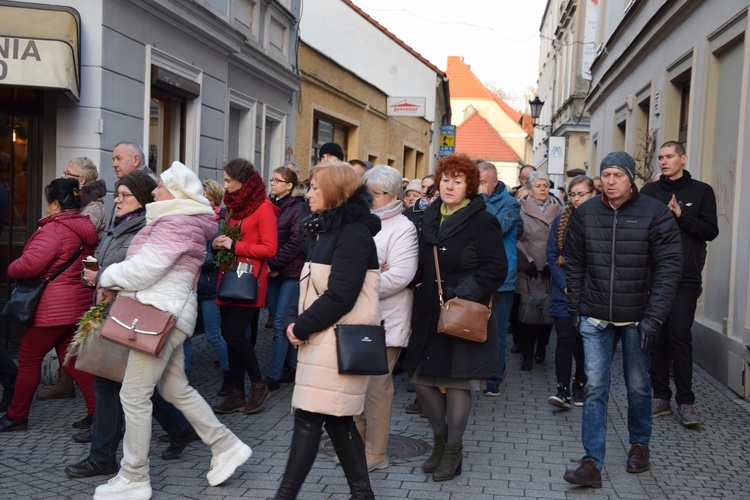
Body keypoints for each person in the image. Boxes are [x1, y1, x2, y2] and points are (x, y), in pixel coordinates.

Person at [93, 162, 253, 499]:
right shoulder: (180, 221)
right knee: (176, 388)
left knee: (133, 396)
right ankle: (226, 446)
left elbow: (145, 270)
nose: (153, 191)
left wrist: (105, 277)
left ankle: (135, 476)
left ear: (175, 193)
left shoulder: (176, 223)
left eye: (160, 186)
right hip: (168, 315)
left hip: (160, 316)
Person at [64, 170, 199, 479]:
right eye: (118, 194)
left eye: (125, 195)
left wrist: (102, 277)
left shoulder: (147, 229)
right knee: (130, 383)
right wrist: (96, 277)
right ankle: (180, 428)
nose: (118, 200)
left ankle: (103, 457)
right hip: (114, 310)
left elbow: (142, 274)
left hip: (132, 315)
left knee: (109, 382)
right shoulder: (122, 225)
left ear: (141, 199)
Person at [562, 152, 682, 488]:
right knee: (595, 386)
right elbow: (574, 261)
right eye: (606, 175)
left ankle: (639, 446)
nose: (610, 181)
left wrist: (655, 317)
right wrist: (576, 307)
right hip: (595, 316)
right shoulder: (585, 213)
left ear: (631, 179)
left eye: (617, 174)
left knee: (638, 386)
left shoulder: (655, 213)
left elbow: (669, 267)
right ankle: (591, 464)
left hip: (638, 318)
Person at [275, 162, 381, 499]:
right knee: (337, 420)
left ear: (335, 192)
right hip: (322, 339)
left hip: (337, 340)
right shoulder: (324, 230)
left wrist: (301, 325)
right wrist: (292, 320)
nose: (307, 194)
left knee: (310, 416)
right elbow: (308, 286)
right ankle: (363, 495)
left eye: (315, 188)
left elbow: (341, 295)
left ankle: (284, 496)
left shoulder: (353, 233)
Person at [404, 153, 506, 482]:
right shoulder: (429, 215)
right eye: (445, 179)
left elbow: (496, 268)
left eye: (457, 181)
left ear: (470, 187)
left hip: (461, 309)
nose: (449, 186)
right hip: (428, 308)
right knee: (421, 379)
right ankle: (440, 439)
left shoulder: (482, 220)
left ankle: (453, 450)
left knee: (457, 382)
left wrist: (463, 290)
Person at [0, 178, 98, 432]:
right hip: (77, 305)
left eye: (48, 202)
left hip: (51, 309)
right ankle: (98, 412)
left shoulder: (54, 230)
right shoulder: (86, 227)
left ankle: (17, 415)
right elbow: (91, 265)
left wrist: (11, 266)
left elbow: (28, 266)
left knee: (29, 358)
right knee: (73, 359)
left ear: (55, 204)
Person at [641, 141, 719, 427]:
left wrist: (681, 215)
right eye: (660, 157)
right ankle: (660, 396)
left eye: (669, 156)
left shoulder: (701, 191)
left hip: (685, 276)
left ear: (683, 158)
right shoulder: (649, 192)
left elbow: (710, 230)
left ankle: (686, 401)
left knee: (680, 335)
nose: (663, 161)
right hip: (654, 276)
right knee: (656, 336)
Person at [356, 165, 418, 471]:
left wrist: (356, 283)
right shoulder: (360, 220)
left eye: (375, 193)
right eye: (366, 190)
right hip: (355, 316)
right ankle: (359, 444)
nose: (369, 197)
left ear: (394, 196)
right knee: (353, 383)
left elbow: (401, 276)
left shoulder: (403, 228)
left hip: (386, 319)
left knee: (377, 387)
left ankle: (376, 452)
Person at [212, 158, 277, 415]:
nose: (225, 185)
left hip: (250, 280)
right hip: (228, 278)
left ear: (243, 180)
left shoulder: (264, 208)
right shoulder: (234, 207)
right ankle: (237, 393)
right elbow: (230, 237)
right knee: (229, 335)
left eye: (229, 180)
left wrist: (235, 246)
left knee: (236, 333)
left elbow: (270, 248)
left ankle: (258, 384)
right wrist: (218, 242)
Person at [546, 175, 595, 410]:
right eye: (573, 194)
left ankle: (580, 384)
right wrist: (565, 284)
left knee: (584, 343)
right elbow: (552, 256)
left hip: (590, 294)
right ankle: (562, 389)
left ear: (593, 194)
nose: (576, 199)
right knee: (565, 340)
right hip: (563, 293)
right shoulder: (560, 221)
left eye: (581, 194)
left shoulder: (600, 219)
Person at [476, 162, 520, 396]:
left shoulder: (510, 203)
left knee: (497, 332)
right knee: (473, 325)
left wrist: (482, 201)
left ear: (495, 182)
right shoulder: (471, 201)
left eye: (483, 182)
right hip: (476, 276)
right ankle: (475, 371)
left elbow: (498, 227)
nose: (478, 186)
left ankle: (494, 379)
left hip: (502, 279)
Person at [515, 171, 563, 370]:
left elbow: (564, 237)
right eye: (538, 186)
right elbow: (515, 238)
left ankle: (541, 349)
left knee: (547, 313)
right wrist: (528, 262)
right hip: (528, 269)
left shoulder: (560, 208)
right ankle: (527, 354)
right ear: (529, 188)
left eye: (546, 185)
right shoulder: (519, 208)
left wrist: (557, 262)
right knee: (527, 314)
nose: (543, 189)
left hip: (552, 268)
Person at [264, 166, 306, 390]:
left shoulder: (298, 208)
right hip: (273, 271)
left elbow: (295, 243)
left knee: (280, 321)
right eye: (272, 179)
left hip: (290, 272)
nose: (273, 183)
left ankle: (273, 376)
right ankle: (292, 364)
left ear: (289, 186)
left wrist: (273, 263)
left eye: (278, 180)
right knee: (283, 320)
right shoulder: (271, 205)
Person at [191, 179, 230, 396]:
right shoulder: (192, 220)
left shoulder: (219, 224)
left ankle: (229, 375)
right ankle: (184, 376)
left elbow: (209, 261)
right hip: (191, 287)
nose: (201, 201)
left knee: (214, 335)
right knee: (185, 335)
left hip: (209, 288)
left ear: (214, 199)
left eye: (205, 197)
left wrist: (192, 252)